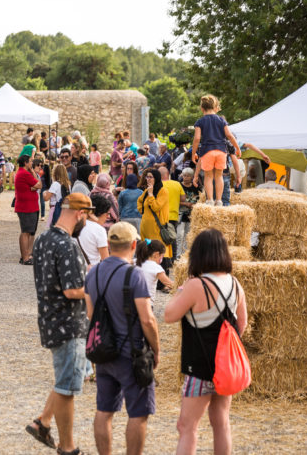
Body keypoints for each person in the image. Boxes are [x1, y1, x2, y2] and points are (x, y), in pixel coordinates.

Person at [164, 228, 247, 455]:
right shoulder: (235, 284)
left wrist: (182, 290)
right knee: (221, 422)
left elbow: (169, 315)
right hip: (225, 366)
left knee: (186, 426)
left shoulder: (196, 286)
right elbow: (242, 325)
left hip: (200, 366)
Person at [25, 193, 93, 455]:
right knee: (68, 388)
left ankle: (42, 422)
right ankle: (67, 447)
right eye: (86, 215)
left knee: (67, 378)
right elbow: (73, 290)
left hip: (50, 317)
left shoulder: (43, 238)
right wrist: (97, 288)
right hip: (69, 323)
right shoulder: (67, 244)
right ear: (79, 213)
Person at [85, 222, 160, 455]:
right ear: (134, 245)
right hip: (132, 354)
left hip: (103, 352)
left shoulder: (93, 272)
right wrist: (156, 350)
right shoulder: (134, 275)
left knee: (104, 411)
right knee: (138, 413)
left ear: (109, 243)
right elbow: (147, 319)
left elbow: (90, 314)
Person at [191, 95, 240, 206]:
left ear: (202, 108)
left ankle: (210, 200)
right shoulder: (221, 120)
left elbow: (197, 138)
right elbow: (229, 135)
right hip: (221, 151)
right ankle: (219, 200)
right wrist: (237, 148)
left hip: (207, 151)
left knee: (208, 176)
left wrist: (193, 153)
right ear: (215, 107)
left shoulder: (200, 121)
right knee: (219, 176)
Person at [137, 169, 173, 260]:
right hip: (145, 229)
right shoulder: (146, 190)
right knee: (147, 253)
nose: (148, 179)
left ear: (156, 178)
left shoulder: (163, 191)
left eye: (150, 177)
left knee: (158, 252)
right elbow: (139, 201)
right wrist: (142, 211)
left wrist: (151, 194)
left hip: (157, 229)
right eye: (147, 177)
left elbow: (156, 207)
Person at [14, 155, 41, 265]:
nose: (32, 163)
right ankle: (25, 257)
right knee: (25, 232)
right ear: (25, 163)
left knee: (29, 231)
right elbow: (39, 184)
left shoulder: (24, 173)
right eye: (30, 162)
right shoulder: (24, 174)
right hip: (26, 207)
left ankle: (27, 255)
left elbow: (36, 184)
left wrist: (33, 185)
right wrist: (34, 185)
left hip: (30, 206)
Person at [77, 194, 111, 273]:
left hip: (75, 273)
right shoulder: (99, 230)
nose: (108, 217)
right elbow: (105, 260)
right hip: (91, 274)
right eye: (107, 213)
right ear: (99, 213)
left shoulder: (75, 224)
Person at [161, 166, 185, 261]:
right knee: (172, 237)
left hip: (161, 216)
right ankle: (173, 258)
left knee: (162, 237)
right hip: (174, 215)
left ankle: (164, 258)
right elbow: (183, 198)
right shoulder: (177, 184)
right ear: (168, 174)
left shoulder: (158, 185)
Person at [178, 168, 202, 257]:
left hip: (191, 215)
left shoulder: (195, 187)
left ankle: (185, 254)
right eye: (184, 175)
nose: (186, 178)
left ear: (192, 177)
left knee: (187, 236)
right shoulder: (179, 186)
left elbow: (200, 199)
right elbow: (174, 200)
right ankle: (178, 254)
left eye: (188, 176)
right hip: (180, 214)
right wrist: (185, 203)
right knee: (179, 236)